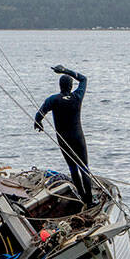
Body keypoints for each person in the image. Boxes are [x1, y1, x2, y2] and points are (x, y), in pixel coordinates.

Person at [34, 64, 93, 208]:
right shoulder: (77, 97)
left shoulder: (53, 100)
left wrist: (39, 124)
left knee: (73, 168)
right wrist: (65, 70)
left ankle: (82, 197)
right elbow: (84, 79)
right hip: (78, 137)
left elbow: (39, 115)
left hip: (64, 139)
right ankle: (90, 200)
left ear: (60, 86)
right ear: (71, 86)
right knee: (84, 168)